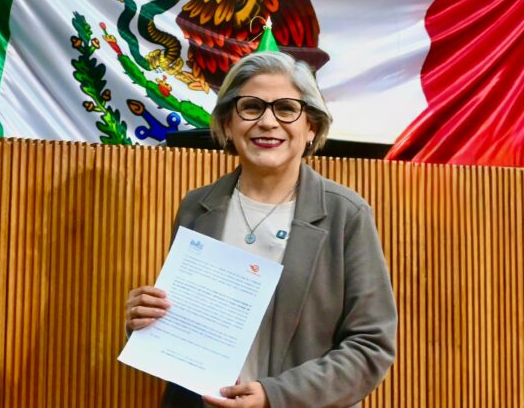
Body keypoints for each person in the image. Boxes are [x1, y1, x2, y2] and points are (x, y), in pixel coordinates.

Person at [124, 51, 398, 408]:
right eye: (251, 107)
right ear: (228, 124)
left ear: (311, 127)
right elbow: (186, 328)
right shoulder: (197, 206)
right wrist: (146, 321)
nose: (268, 122)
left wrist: (274, 396)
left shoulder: (346, 214)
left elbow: (371, 347)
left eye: (286, 109)